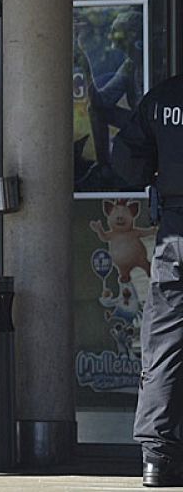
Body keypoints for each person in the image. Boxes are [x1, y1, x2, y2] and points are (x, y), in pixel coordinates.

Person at [111, 72, 183, 488]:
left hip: (175, 234)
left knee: (165, 345)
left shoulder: (164, 99)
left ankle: (156, 458)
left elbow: (126, 160)